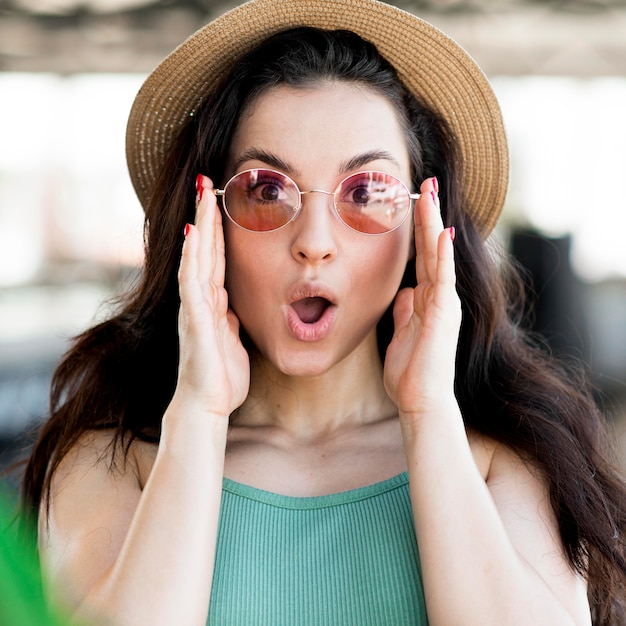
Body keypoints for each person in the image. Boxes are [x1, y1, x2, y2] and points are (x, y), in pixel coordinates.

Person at [19, 0, 626, 624]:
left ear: (424, 223)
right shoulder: (113, 460)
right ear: (204, 223)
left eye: (366, 192)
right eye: (265, 190)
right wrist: (199, 413)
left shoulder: (507, 459)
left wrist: (429, 412)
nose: (314, 240)